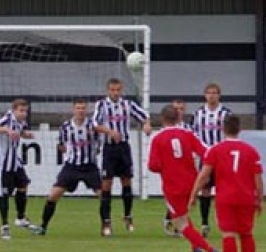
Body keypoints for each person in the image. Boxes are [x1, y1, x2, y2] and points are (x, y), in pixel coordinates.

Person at [189, 115, 264, 252]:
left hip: (225, 198)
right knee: (246, 234)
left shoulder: (215, 150)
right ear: (240, 129)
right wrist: (259, 198)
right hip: (246, 198)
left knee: (228, 234)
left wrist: (193, 194)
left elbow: (204, 176)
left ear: (223, 129)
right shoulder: (251, 151)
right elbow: (258, 178)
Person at [148, 105, 220, 252]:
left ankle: (210, 250)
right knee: (184, 216)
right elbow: (206, 152)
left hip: (173, 185)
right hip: (192, 182)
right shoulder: (188, 134)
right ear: (178, 118)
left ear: (163, 119)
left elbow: (152, 165)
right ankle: (195, 250)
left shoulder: (158, 138)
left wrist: (166, 166)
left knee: (179, 222)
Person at [30, 99, 102, 235]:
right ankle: (43, 226)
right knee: (52, 196)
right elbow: (61, 145)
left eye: (83, 108)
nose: (81, 111)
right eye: (78, 108)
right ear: (73, 110)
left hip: (90, 167)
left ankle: (106, 227)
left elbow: (99, 145)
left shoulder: (93, 126)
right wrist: (71, 153)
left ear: (86, 110)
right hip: (71, 167)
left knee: (103, 196)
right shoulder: (66, 127)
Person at [93, 77, 152, 236]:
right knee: (106, 185)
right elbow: (95, 124)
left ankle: (128, 216)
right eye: (112, 90)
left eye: (118, 90)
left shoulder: (127, 104)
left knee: (127, 182)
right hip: (109, 148)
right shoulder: (101, 105)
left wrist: (146, 124)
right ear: (108, 90)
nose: (115, 93)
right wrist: (110, 132)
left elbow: (144, 116)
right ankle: (106, 222)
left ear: (121, 90)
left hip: (124, 147)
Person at [0, 98, 35, 240]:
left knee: (23, 185)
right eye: (21, 111)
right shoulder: (7, 118)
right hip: (4, 163)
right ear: (14, 110)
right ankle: (4, 226)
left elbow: (20, 132)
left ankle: (20, 218)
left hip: (15, 161)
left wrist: (26, 135)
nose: (23, 114)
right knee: (4, 194)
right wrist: (6, 130)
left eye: (25, 111)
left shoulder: (21, 122)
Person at [192, 82, 233, 237]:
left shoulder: (226, 113)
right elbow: (194, 134)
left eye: (214, 92)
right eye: (209, 92)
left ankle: (223, 219)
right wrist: (204, 150)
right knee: (205, 189)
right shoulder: (198, 114)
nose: (211, 95)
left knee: (223, 189)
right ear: (205, 95)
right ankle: (204, 222)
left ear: (219, 95)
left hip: (222, 157)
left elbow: (230, 134)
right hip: (206, 156)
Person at [162, 98, 193, 235]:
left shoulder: (188, 129)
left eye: (181, 109)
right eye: (176, 109)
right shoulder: (165, 130)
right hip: (171, 171)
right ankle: (175, 222)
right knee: (175, 197)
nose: (179, 112)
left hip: (185, 168)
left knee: (184, 198)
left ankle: (175, 222)